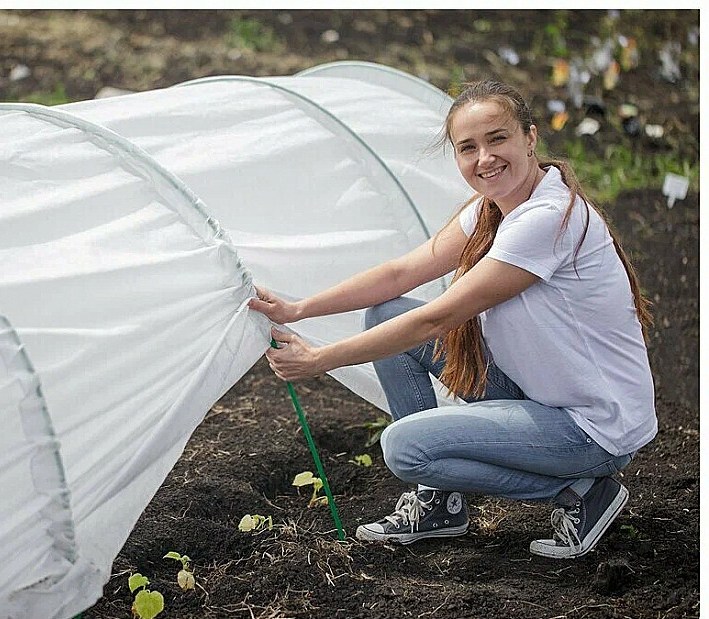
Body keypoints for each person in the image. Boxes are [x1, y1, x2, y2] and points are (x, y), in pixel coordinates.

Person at [249, 80, 656, 559]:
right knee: (387, 311)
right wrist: (298, 308)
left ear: (530, 137)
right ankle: (440, 503)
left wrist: (320, 359)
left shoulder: (546, 218)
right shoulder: (494, 210)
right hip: (543, 394)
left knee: (406, 449)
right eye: (469, 148)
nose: (484, 158)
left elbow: (435, 319)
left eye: (497, 139)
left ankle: (583, 492)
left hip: (591, 426)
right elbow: (401, 274)